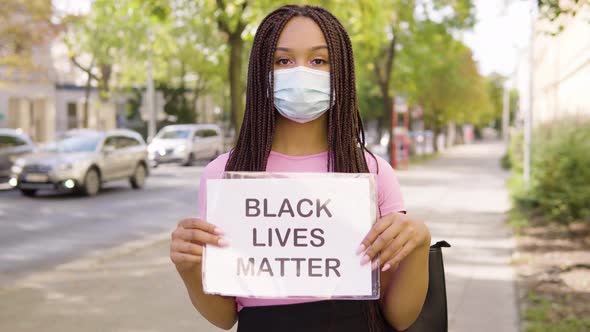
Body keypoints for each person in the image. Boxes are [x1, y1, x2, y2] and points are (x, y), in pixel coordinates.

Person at [170, 5, 431, 332]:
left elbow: (401, 316)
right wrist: (189, 269)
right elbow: (226, 317)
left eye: (319, 60)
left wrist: (419, 242)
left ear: (342, 73)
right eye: (283, 61)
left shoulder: (372, 172)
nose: (301, 71)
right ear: (261, 72)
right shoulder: (223, 175)